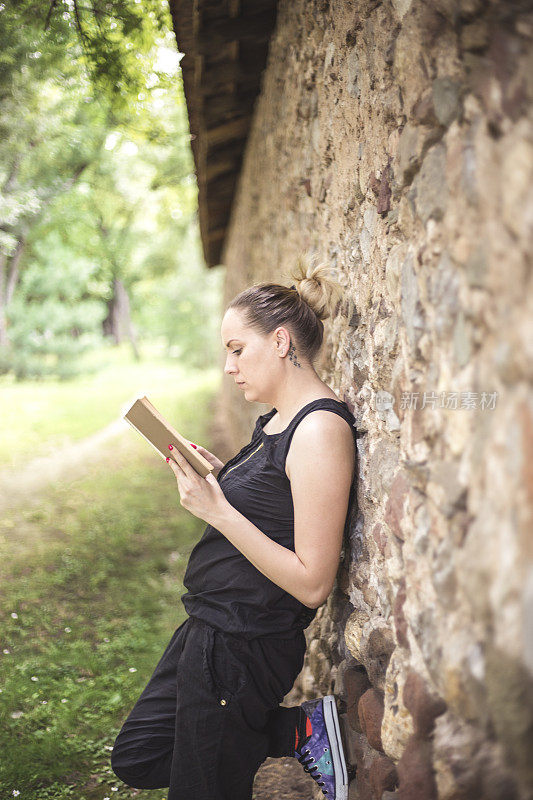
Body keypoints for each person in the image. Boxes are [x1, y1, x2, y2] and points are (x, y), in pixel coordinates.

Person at [110, 254, 358, 800]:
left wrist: (218, 509)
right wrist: (223, 479)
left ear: (281, 341)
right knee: (140, 755)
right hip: (208, 627)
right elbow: (276, 502)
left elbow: (313, 582)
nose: (229, 366)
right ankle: (302, 730)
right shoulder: (277, 422)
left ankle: (298, 731)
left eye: (236, 349)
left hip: (243, 645)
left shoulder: (319, 429)